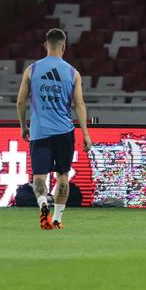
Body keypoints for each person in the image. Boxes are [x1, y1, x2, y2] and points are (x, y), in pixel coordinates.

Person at [16, 28, 92, 230]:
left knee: (39, 177)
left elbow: (20, 101)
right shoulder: (72, 73)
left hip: (40, 131)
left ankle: (43, 207)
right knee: (63, 176)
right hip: (65, 132)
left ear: (45, 46)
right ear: (64, 47)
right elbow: (79, 104)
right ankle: (57, 219)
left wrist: (24, 126)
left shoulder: (32, 70)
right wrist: (85, 134)